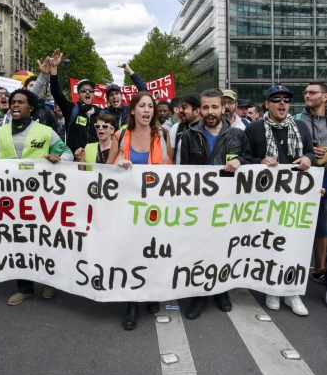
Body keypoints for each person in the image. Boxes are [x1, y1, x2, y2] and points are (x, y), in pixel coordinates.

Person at [0, 89, 73, 305]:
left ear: (31, 107)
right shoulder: (0, 133)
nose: (15, 106)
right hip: (11, 200)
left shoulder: (46, 131)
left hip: (41, 199)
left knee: (44, 238)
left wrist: (59, 157)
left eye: (20, 102)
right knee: (19, 241)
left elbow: (68, 153)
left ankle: (50, 281)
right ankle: (25, 287)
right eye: (12, 102)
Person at [180, 88, 252, 320]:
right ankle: (199, 294)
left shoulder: (238, 136)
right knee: (200, 249)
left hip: (228, 206)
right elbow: (182, 171)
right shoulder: (189, 135)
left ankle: (221, 291)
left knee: (224, 248)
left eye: (215, 107)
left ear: (224, 108)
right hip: (199, 204)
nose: (210, 112)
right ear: (199, 109)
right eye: (206, 107)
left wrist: (241, 160)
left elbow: (251, 161)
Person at [245, 84, 315, 316]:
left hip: (295, 198)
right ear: (267, 104)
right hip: (265, 197)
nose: (282, 103)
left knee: (294, 243)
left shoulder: (301, 127)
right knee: (270, 241)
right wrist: (260, 161)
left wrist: (308, 158)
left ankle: (292, 291)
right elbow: (245, 158)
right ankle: (271, 289)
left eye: (286, 99)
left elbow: (311, 153)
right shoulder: (254, 129)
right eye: (276, 99)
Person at [107, 91, 170, 330]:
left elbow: (170, 167)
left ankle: (152, 292)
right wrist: (118, 165)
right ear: (132, 110)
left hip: (155, 206)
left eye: (150, 106)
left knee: (153, 250)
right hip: (127, 206)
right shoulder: (120, 134)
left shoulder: (163, 134)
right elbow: (107, 168)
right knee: (131, 252)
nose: (147, 110)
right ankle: (132, 303)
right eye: (142, 106)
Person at [0, 52, 57, 130]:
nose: (3, 96)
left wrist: (43, 75)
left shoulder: (14, 114)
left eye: (6, 94)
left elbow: (32, 94)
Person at [295, 81, 327, 286]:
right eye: (306, 92)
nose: (307, 95)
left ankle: (319, 269)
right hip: (304, 177)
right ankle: (295, 265)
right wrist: (306, 152)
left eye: (312, 92)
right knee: (299, 222)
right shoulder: (297, 119)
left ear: (325, 97)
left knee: (323, 225)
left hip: (325, 176)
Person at [50, 48, 101, 155]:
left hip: (95, 163)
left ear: (93, 94)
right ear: (78, 95)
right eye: (83, 90)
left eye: (90, 90)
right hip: (73, 163)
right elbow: (55, 92)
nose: (87, 92)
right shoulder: (72, 109)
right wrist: (54, 68)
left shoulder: (101, 113)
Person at [100, 63, 147, 129]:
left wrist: (129, 70)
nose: (114, 96)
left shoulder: (129, 109)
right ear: (108, 99)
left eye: (116, 93)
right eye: (111, 95)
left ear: (121, 96)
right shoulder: (103, 114)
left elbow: (144, 91)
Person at [167, 93, 201, 164]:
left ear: (196, 111)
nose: (181, 110)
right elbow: (169, 159)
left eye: (185, 107)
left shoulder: (208, 131)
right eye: (181, 107)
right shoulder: (176, 128)